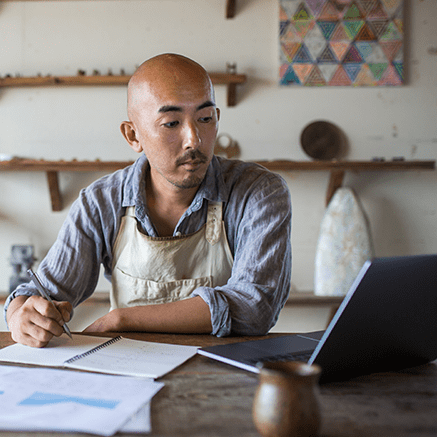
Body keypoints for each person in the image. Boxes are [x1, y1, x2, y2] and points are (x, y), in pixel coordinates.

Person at [5, 53, 292, 348]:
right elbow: (44, 292)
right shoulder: (101, 202)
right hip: (130, 374)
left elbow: (255, 306)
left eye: (205, 119)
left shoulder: (259, 192)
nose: (194, 139)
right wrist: (20, 315)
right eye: (171, 123)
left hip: (225, 375)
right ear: (133, 135)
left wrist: (122, 319)